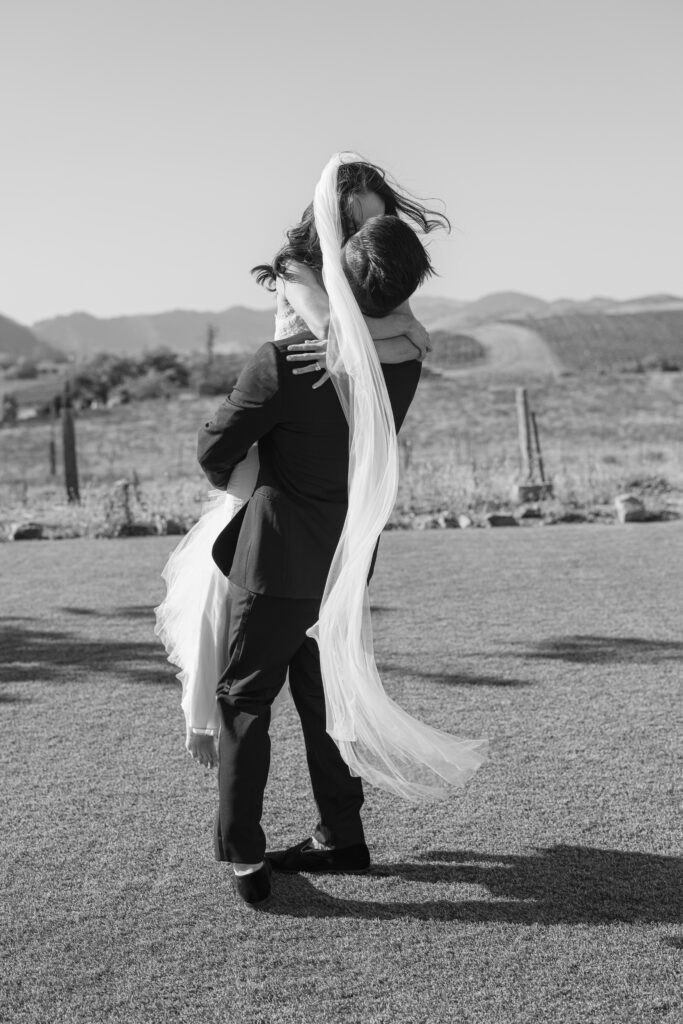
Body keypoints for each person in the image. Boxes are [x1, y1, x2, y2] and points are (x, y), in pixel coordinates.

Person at [198, 155, 486, 908]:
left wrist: (255, 464)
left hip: (276, 556)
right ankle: (341, 836)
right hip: (348, 556)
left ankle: (244, 857)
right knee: (327, 700)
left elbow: (211, 452)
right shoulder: (405, 363)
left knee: (243, 700)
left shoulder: (284, 361)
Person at [155, 159, 445, 768]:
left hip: (331, 457)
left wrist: (399, 336)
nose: (370, 230)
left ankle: (328, 818)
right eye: (358, 218)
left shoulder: (366, 273)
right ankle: (204, 718)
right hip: (283, 443)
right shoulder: (296, 268)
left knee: (305, 649)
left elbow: (375, 339)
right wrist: (405, 338)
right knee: (224, 589)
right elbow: (340, 334)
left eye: (378, 216)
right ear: (332, 220)